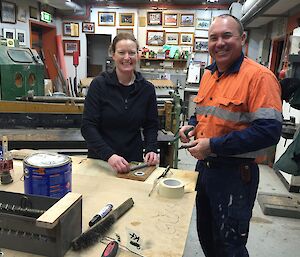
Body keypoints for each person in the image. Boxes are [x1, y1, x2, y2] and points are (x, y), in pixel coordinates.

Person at [179, 14, 282, 257]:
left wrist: (212, 145)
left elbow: (269, 132)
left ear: (242, 38)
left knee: (229, 246)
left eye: (227, 36)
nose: (220, 43)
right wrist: (191, 126)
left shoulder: (260, 77)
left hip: (235, 176)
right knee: (207, 236)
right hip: (205, 171)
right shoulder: (209, 75)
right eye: (213, 38)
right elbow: (204, 114)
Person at [81, 33, 159, 174]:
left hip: (133, 162)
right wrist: (109, 156)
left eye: (132, 53)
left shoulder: (147, 89)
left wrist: (151, 149)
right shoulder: (99, 85)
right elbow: (87, 126)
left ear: (138, 55)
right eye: (121, 52)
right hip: (101, 161)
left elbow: (151, 125)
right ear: (113, 55)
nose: (127, 58)